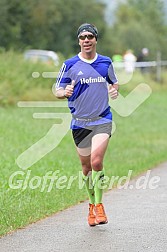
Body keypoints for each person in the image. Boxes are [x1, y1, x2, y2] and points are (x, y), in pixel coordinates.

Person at [54, 23, 119, 226]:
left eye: (90, 36)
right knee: (86, 168)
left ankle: (99, 205)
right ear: (79, 41)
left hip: (102, 120)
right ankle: (91, 206)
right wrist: (62, 93)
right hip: (80, 123)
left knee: (96, 161)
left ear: (96, 39)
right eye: (82, 37)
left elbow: (113, 81)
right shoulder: (70, 64)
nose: (86, 40)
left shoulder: (106, 62)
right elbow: (57, 88)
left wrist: (114, 90)